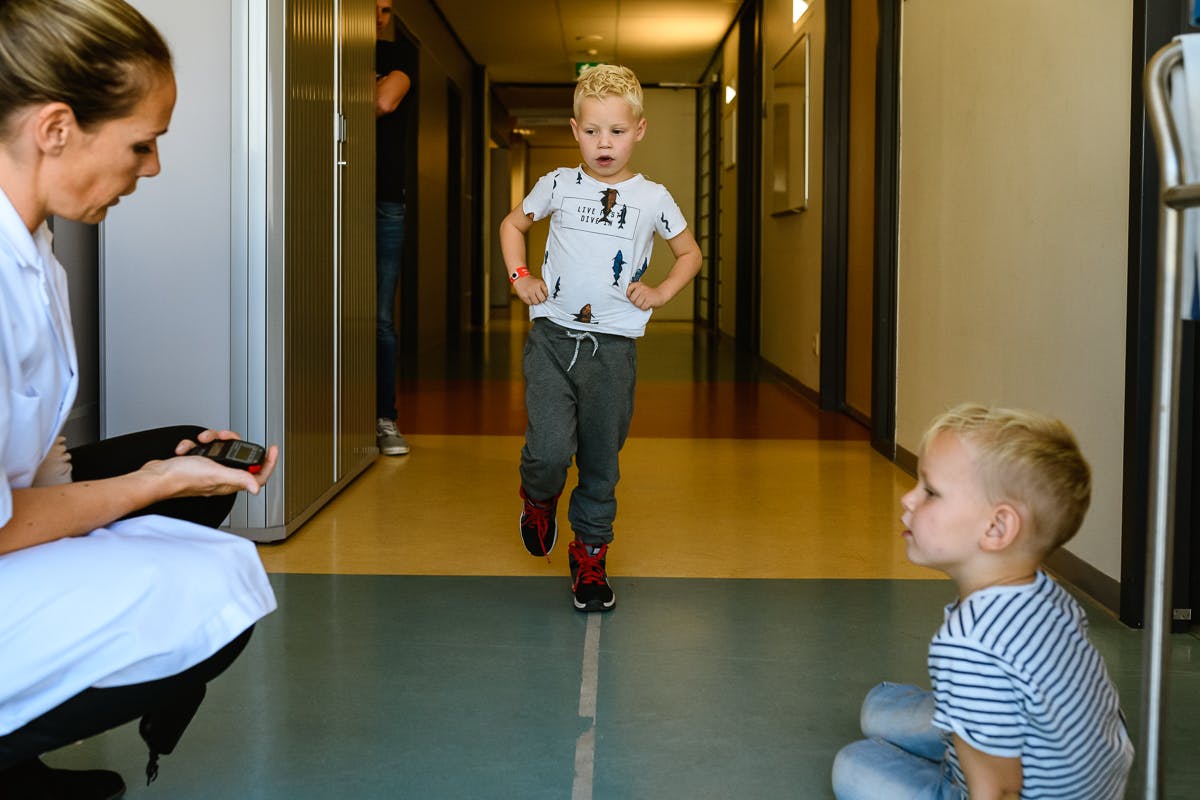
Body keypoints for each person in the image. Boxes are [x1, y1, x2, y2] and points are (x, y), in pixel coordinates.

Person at [0, 1, 279, 797]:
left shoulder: (32, 244)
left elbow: (31, 449)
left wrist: (156, 479)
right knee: (210, 587)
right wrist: (147, 485)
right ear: (56, 128)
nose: (151, 168)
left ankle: (21, 760)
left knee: (192, 478)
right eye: (141, 144)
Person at [831, 404, 1134, 799]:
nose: (908, 499)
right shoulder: (1047, 593)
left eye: (930, 492)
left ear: (997, 527)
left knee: (855, 764)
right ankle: (964, 733)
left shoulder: (968, 645)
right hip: (1090, 782)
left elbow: (999, 792)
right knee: (878, 709)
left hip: (1006, 788)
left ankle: (957, 752)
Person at [498, 64, 702, 612]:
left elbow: (690, 254)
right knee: (546, 451)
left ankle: (590, 553)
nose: (603, 143)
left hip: (613, 351)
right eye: (591, 131)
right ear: (574, 130)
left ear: (639, 130)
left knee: (600, 462)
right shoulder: (558, 185)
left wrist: (659, 293)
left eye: (615, 131)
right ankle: (538, 497)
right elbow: (512, 226)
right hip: (553, 340)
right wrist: (521, 278)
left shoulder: (653, 198)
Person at [374, 0, 414, 456]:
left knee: (381, 318)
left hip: (386, 202)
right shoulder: (329, 53)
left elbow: (383, 100)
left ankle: (385, 419)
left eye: (387, 8)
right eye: (372, 6)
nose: (380, 18)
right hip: (331, 200)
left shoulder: (401, 57)